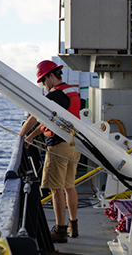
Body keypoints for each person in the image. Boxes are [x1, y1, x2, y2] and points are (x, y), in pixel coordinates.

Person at [19, 60, 81, 243]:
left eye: (43, 81)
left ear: (51, 76)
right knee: (69, 186)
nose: (44, 85)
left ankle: (60, 230)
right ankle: (73, 226)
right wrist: (31, 137)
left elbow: (33, 118)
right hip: (74, 145)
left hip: (58, 147)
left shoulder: (54, 95)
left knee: (56, 190)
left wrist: (21, 135)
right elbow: (50, 122)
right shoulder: (71, 91)